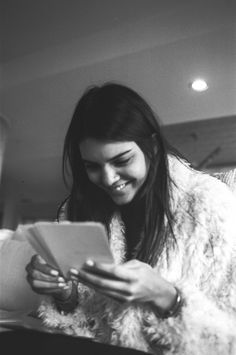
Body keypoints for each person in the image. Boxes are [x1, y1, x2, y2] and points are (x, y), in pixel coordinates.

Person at [25, 82, 236, 355]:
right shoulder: (79, 211)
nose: (109, 179)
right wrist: (65, 294)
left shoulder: (208, 204)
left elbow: (228, 339)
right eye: (92, 166)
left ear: (153, 148)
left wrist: (166, 296)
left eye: (122, 160)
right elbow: (87, 323)